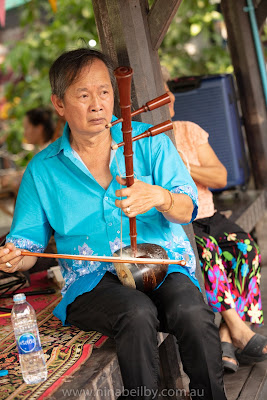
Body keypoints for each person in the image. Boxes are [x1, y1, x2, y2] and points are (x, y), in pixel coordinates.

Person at [0, 48, 227, 400]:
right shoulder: (43, 170)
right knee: (136, 313)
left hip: (160, 264)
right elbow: (27, 247)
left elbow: (187, 210)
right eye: (83, 94)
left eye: (104, 92)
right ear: (59, 104)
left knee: (191, 311)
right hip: (92, 279)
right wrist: (15, 255)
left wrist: (160, 197)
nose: (97, 104)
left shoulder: (150, 141)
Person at [161, 65, 267, 373]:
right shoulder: (144, 144)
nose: (168, 97)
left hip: (210, 214)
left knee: (245, 248)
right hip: (182, 222)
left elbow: (220, 175)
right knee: (206, 253)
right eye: (161, 92)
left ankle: (226, 336)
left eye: (168, 91)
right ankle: (239, 329)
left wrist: (186, 167)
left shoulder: (187, 131)